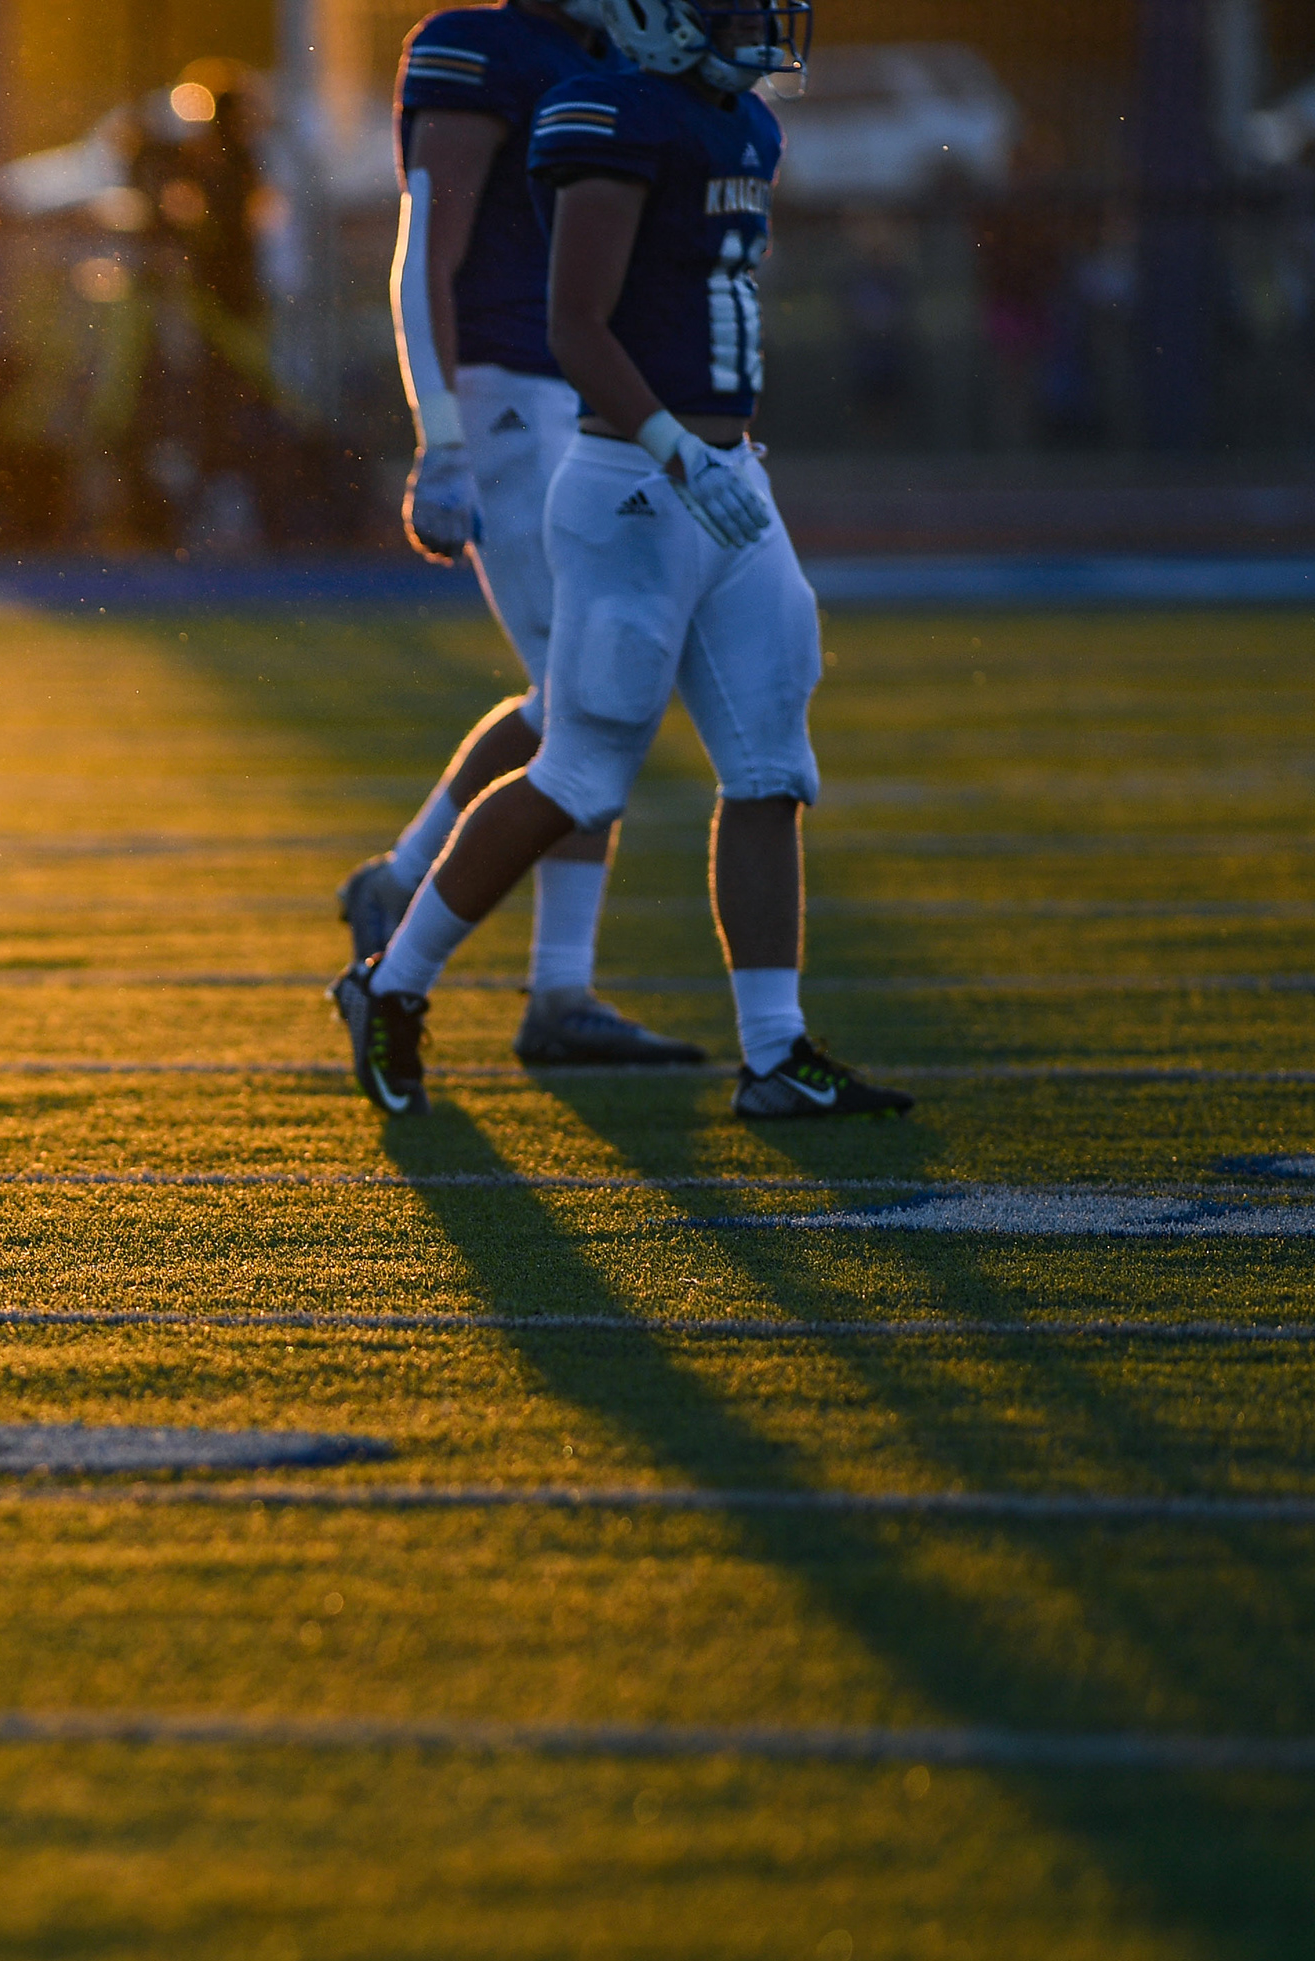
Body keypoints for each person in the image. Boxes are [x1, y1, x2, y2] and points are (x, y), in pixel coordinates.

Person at [332, 0, 908, 1122]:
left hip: (726, 471)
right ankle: (393, 978)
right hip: (630, 473)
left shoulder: (742, 124)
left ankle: (775, 1049)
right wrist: (450, 436)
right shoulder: (597, 107)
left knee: (772, 763)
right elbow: (569, 320)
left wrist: (718, 451)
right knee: (582, 762)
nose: (758, 21)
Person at [340, 0, 700, 1069]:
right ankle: (539, 982)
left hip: (586, 399)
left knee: (584, 690)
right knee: (590, 693)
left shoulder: (608, 57)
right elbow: (424, 259)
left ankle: (427, 899)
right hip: (507, 393)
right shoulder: (479, 46)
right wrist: (441, 436)